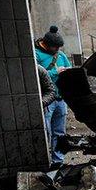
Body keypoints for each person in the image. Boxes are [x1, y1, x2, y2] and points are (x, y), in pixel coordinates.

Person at [35, 26, 70, 166]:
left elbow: (69, 69)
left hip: (61, 98)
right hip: (47, 99)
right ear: (45, 44)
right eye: (55, 47)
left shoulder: (61, 55)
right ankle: (46, 161)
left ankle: (58, 161)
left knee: (59, 132)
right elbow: (36, 76)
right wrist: (56, 72)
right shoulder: (36, 55)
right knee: (47, 132)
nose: (57, 50)